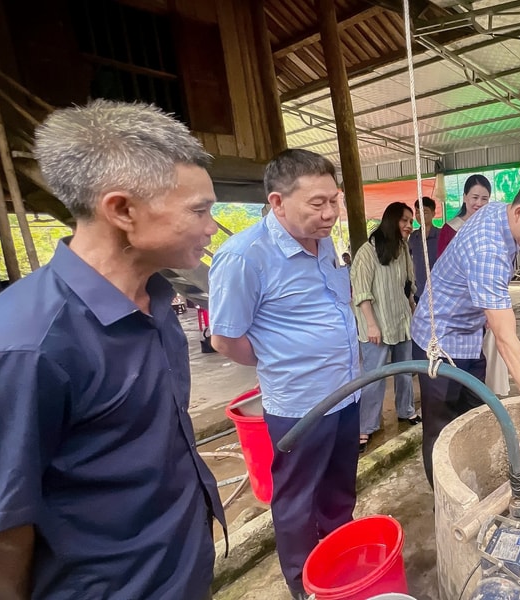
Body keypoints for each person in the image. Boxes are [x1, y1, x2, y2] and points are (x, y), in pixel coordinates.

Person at [0, 100, 224, 599]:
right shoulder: (28, 345)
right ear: (122, 210)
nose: (212, 226)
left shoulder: (159, 303)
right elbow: (5, 527)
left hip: (181, 571)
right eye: (199, 210)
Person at [208, 149, 361, 600]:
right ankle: (304, 587)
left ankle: (341, 569)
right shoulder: (243, 257)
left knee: (339, 495)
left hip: (347, 395)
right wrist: (282, 357)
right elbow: (226, 339)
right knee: (296, 503)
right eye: (317, 204)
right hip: (300, 407)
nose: (330, 213)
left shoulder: (325, 241)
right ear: (277, 202)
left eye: (334, 201)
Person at [411, 171, 520, 487]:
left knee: (475, 414)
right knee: (441, 428)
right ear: (519, 212)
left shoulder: (501, 212)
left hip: (470, 336)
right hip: (440, 342)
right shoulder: (488, 250)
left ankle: (477, 482)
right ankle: (448, 502)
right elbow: (505, 336)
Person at [352, 201, 420, 453]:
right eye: (405, 220)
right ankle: (365, 427)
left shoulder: (403, 249)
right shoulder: (367, 252)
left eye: (411, 222)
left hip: (401, 322)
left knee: (405, 371)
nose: (409, 226)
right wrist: (371, 324)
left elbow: (408, 286)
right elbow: (361, 292)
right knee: (374, 377)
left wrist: (414, 314)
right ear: (391, 220)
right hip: (376, 327)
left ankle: (406, 411)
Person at [436, 174, 490, 257]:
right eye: (475, 197)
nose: (479, 203)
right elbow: (442, 263)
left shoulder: (491, 227)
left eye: (484, 199)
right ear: (465, 197)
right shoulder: (450, 229)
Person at [408, 196, 440, 302]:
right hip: (419, 291)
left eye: (425, 211)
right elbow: (407, 258)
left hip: (439, 290)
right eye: (417, 212)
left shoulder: (440, 235)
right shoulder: (413, 237)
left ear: (433, 213)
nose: (420, 215)